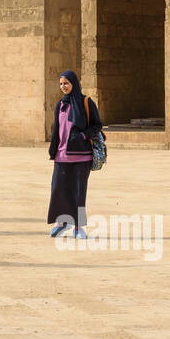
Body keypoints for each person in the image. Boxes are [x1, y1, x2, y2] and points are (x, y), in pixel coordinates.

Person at [47, 70, 102, 240]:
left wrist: (83, 136)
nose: (64, 86)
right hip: (61, 156)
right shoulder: (60, 105)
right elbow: (57, 129)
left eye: (66, 83)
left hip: (81, 156)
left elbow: (97, 125)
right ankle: (61, 222)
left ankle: (78, 227)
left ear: (73, 84)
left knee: (78, 192)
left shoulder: (86, 102)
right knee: (58, 190)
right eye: (61, 84)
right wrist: (53, 148)